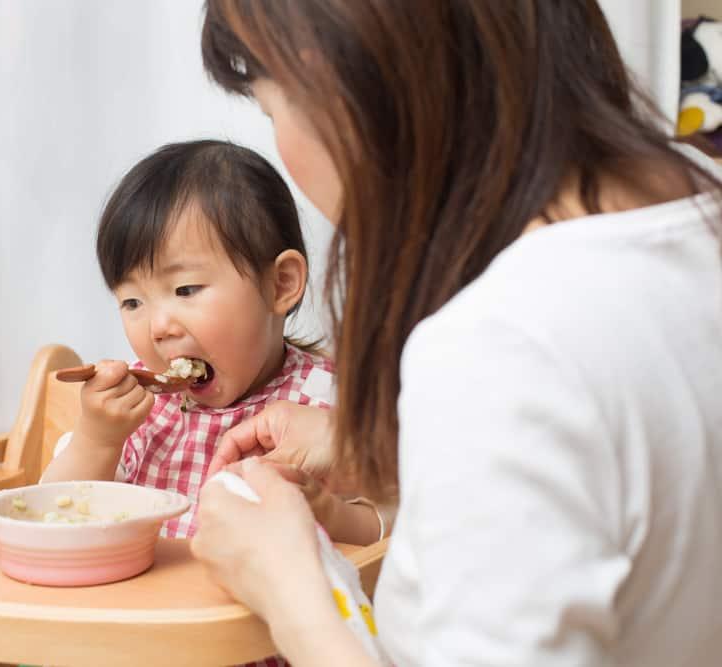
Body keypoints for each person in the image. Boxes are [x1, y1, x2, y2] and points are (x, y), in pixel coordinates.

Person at [191, 2, 722, 666]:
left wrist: (289, 584)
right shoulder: (696, 208)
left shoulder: (500, 347)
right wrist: (404, 459)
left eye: (274, 113)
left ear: (340, 79)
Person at [41, 139, 383, 547]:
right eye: (132, 301)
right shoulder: (137, 412)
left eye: (185, 290)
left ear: (281, 284)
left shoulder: (327, 404)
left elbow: (385, 530)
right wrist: (97, 440)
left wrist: (330, 513)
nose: (159, 326)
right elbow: (52, 517)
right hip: (132, 608)